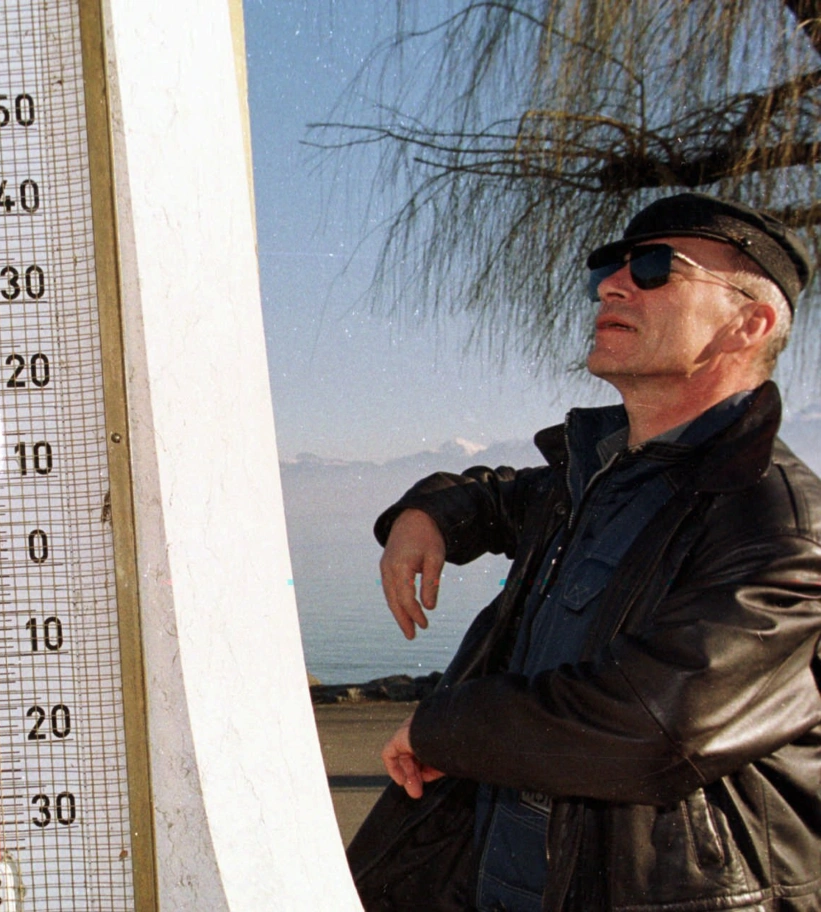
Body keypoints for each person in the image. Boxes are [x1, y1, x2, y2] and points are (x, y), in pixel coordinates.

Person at [347, 193, 821, 911]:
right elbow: (499, 495)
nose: (610, 284)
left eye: (658, 268)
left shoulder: (778, 523)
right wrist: (425, 513)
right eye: (609, 267)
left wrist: (445, 727)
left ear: (745, 324)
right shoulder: (597, 473)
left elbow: (651, 727)